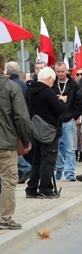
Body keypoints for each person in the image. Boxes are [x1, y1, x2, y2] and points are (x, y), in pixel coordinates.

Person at [0, 53, 33, 229]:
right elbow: (21, 117)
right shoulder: (12, 88)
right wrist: (26, 140)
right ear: (3, 67)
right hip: (6, 143)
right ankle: (5, 218)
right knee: (8, 181)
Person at [25, 66, 66, 199]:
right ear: (48, 79)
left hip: (36, 128)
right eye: (52, 81)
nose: (52, 84)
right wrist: (61, 100)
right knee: (48, 160)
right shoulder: (47, 91)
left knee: (37, 159)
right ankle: (45, 189)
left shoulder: (30, 90)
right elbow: (59, 110)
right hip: (49, 130)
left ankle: (31, 188)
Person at [52, 62, 81, 181]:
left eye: (62, 71)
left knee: (70, 148)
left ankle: (70, 172)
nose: (60, 74)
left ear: (66, 71)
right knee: (55, 147)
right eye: (58, 71)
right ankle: (59, 166)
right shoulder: (52, 83)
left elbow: (79, 101)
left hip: (69, 119)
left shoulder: (74, 84)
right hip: (55, 120)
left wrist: (75, 116)